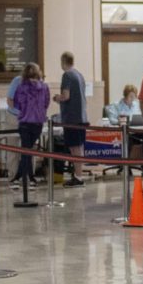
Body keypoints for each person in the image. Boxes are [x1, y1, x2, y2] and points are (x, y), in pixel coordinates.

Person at [12, 63, 51, 188]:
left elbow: (16, 104)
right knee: (27, 150)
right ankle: (23, 177)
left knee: (26, 151)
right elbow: (46, 103)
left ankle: (26, 178)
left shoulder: (21, 87)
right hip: (38, 123)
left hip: (24, 122)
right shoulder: (44, 87)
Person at [53, 52, 88, 187]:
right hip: (81, 116)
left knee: (74, 148)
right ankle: (78, 174)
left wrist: (57, 98)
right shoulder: (79, 75)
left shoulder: (67, 75)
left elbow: (66, 96)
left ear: (63, 62)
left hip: (72, 117)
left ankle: (78, 177)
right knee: (79, 147)